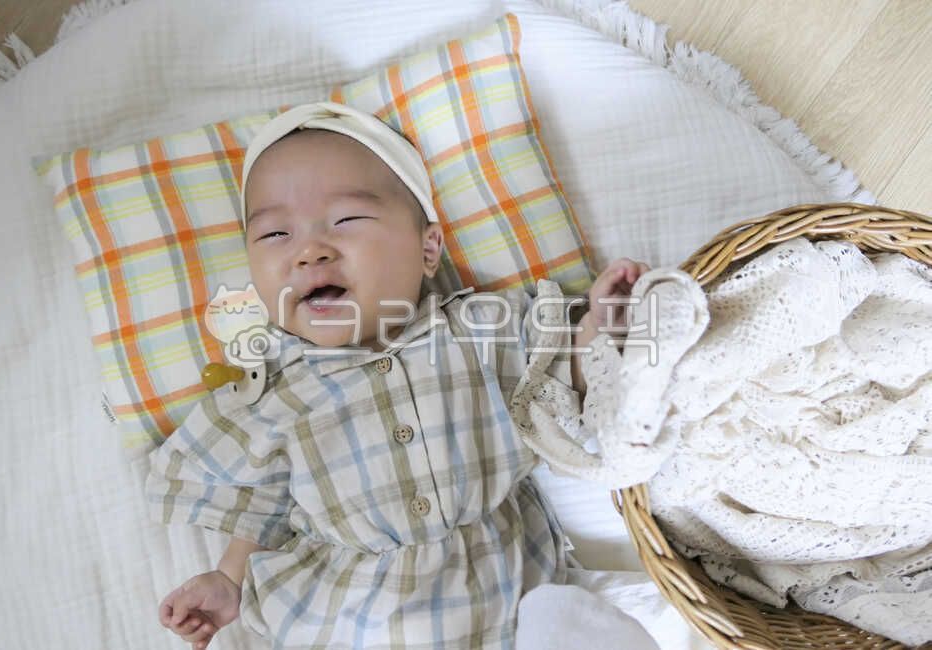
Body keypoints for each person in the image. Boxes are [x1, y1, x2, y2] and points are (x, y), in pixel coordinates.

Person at [145, 102, 650, 649]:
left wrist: (602, 321)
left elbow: (556, 376)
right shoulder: (275, 393)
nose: (310, 251)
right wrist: (227, 581)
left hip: (510, 597)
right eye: (274, 236)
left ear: (428, 248)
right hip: (356, 617)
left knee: (576, 625)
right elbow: (265, 510)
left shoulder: (477, 333)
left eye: (345, 221)